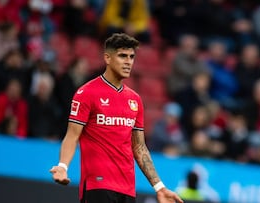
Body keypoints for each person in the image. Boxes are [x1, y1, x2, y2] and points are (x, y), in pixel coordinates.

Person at [50, 33, 183, 203]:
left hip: (127, 189)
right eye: (122, 56)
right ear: (107, 58)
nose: (128, 62)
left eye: (131, 57)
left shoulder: (134, 100)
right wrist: (62, 166)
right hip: (98, 185)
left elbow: (139, 147)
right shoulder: (86, 93)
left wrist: (159, 187)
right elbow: (72, 135)